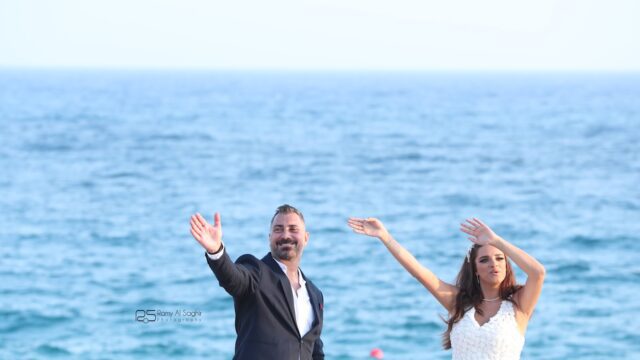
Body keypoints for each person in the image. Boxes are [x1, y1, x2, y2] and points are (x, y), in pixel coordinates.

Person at [347, 217, 545, 359]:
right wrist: (385, 237)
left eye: (500, 258)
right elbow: (420, 273)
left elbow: (538, 273)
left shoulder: (519, 305)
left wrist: (496, 241)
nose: (494, 264)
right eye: (485, 260)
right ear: (475, 269)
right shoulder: (459, 301)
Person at [190, 204, 324, 360]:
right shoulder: (257, 272)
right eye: (278, 229)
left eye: (293, 229)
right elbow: (233, 278)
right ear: (269, 238)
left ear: (306, 238)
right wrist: (216, 251)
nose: (285, 235)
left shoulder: (315, 295)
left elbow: (314, 350)